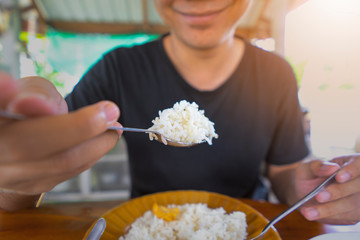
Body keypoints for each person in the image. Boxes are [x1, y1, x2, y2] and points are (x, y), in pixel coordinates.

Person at [0, 0, 359, 225]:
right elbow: (40, 158)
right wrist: (14, 179)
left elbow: (285, 171)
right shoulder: (118, 68)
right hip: (148, 228)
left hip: (243, 228)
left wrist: (310, 187)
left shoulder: (275, 74)